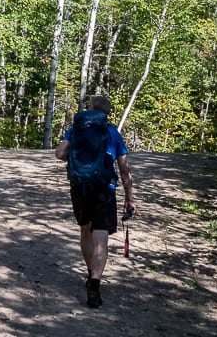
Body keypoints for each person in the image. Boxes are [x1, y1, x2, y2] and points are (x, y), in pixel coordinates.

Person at [55, 95, 136, 308]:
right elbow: (125, 170)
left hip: (80, 186)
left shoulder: (76, 129)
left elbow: (60, 153)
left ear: (90, 109)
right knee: (101, 238)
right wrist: (129, 197)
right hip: (104, 189)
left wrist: (76, 156)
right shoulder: (112, 133)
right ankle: (94, 284)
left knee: (85, 231)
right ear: (107, 113)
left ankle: (90, 272)